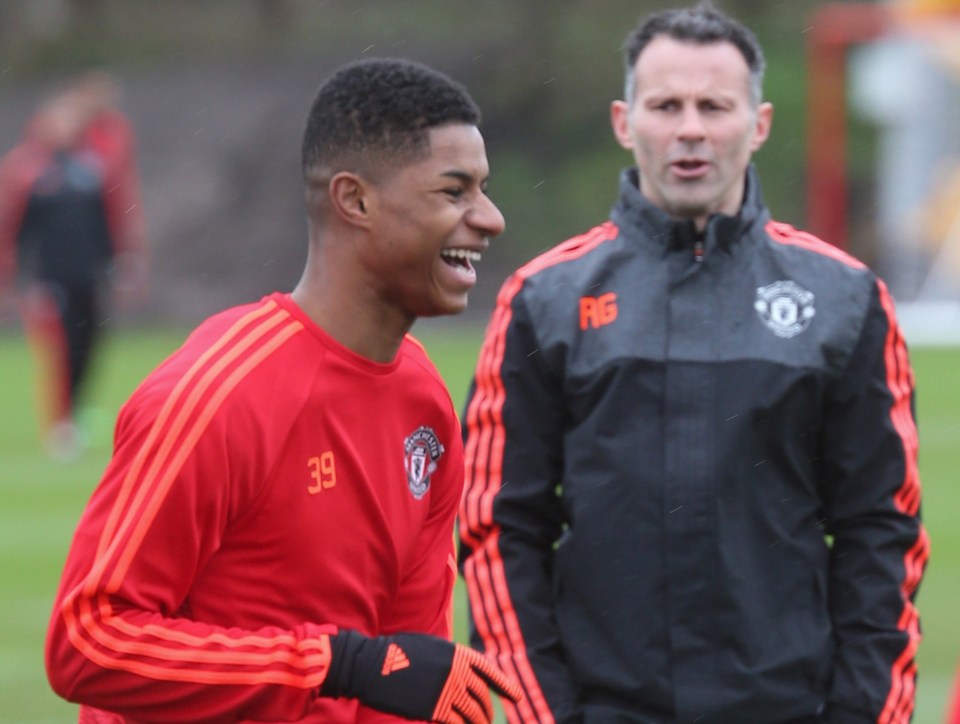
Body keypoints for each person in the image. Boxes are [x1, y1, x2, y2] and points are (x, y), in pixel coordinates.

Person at [458, 3, 927, 722]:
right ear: (624, 121)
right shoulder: (544, 300)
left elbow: (881, 533)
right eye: (665, 105)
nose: (690, 129)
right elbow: (498, 531)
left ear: (759, 124)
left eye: (714, 105)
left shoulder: (845, 300)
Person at [45, 57, 521, 723]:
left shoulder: (425, 404)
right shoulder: (215, 395)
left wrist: (372, 672)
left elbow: (408, 669)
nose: (490, 218)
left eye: (484, 189)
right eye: (454, 192)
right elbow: (87, 642)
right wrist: (333, 664)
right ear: (355, 200)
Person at [0, 71, 148, 460]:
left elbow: (112, 214)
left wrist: (122, 261)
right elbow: (11, 227)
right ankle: (61, 426)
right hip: (48, 278)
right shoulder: (27, 167)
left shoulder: (92, 165)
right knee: (60, 350)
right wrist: (14, 277)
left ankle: (76, 414)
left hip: (89, 273)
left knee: (90, 345)